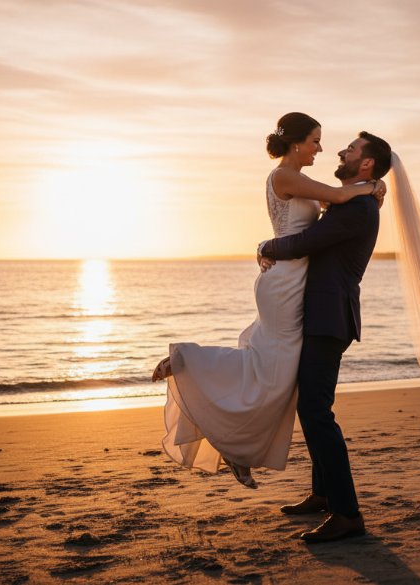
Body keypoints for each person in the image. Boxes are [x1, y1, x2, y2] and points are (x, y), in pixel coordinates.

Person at [151, 113, 385, 492]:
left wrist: (370, 190)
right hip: (286, 281)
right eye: (315, 141)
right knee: (273, 370)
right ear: (296, 143)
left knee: (275, 369)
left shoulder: (300, 180)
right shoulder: (285, 176)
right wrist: (373, 185)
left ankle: (238, 445)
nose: (321, 148)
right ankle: (188, 364)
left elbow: (332, 216)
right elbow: (340, 197)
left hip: (289, 279)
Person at [257, 130, 392, 543]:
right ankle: (321, 493)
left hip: (329, 319)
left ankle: (347, 513)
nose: (340, 150)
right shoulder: (351, 198)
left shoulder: (360, 208)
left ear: (366, 163)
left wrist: (267, 244)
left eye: (351, 149)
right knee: (313, 406)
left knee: (317, 412)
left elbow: (308, 242)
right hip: (320, 315)